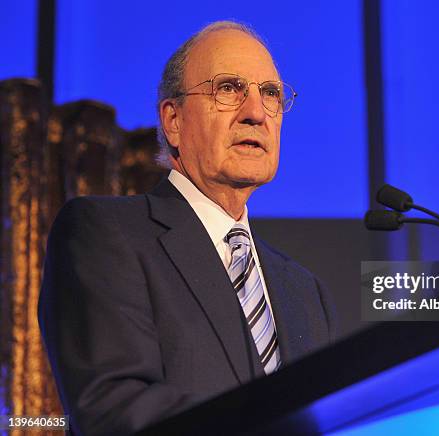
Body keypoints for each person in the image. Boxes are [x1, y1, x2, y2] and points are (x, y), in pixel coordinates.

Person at [38, 21, 337, 435]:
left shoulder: (305, 292)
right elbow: (113, 408)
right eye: (229, 89)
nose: (255, 113)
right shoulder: (105, 234)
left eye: (270, 94)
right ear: (173, 119)